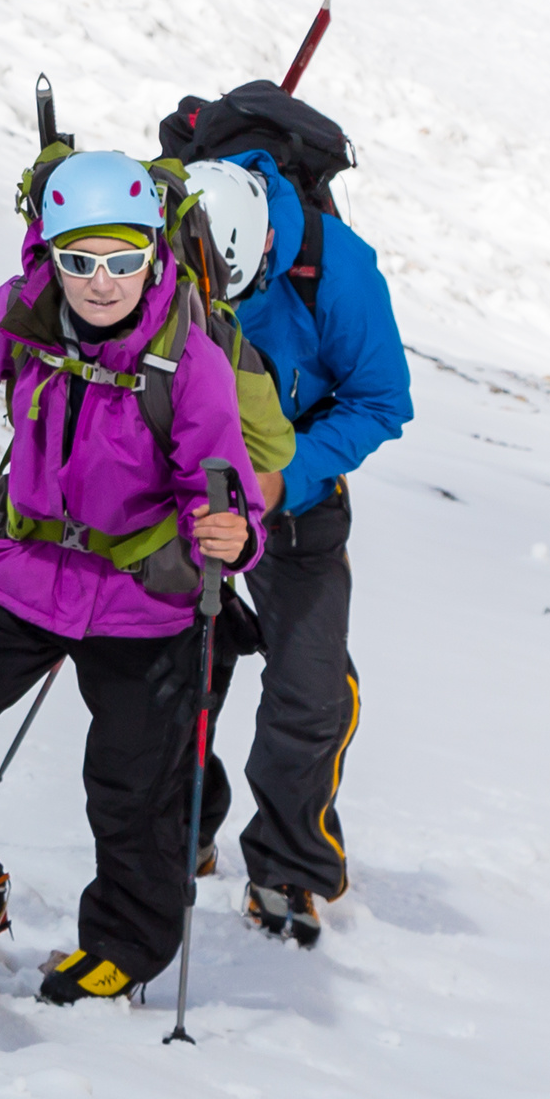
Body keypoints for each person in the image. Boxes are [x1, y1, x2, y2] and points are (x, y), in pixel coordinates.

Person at [0, 148, 264, 1006]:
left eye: (122, 261)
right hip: (22, 576)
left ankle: (127, 947)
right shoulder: (24, 316)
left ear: (154, 252)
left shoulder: (191, 359)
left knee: (132, 789)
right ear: (47, 254)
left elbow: (226, 491)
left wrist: (233, 535)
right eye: (78, 261)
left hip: (144, 599)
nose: (101, 283)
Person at [181, 131, 413, 947]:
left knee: (310, 688)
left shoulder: (336, 268)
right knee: (175, 661)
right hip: (188, 476)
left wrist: (287, 478)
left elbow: (382, 398)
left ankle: (289, 866)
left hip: (295, 486)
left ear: (268, 241)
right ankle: (181, 829)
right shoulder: (167, 231)